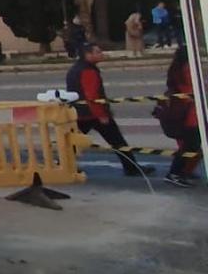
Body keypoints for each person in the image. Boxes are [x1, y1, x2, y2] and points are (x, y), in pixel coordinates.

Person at [65, 43, 149, 177]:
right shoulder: (88, 71)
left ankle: (61, 165)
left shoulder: (76, 68)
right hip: (91, 114)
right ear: (88, 55)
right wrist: (102, 114)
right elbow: (92, 95)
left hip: (79, 112)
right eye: (98, 52)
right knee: (117, 141)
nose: (101, 54)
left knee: (74, 142)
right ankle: (132, 168)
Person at [158, 46, 199, 186]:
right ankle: (175, 173)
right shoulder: (188, 69)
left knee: (191, 145)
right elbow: (192, 89)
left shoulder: (177, 68)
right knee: (191, 145)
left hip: (187, 113)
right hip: (191, 114)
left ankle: (182, 171)